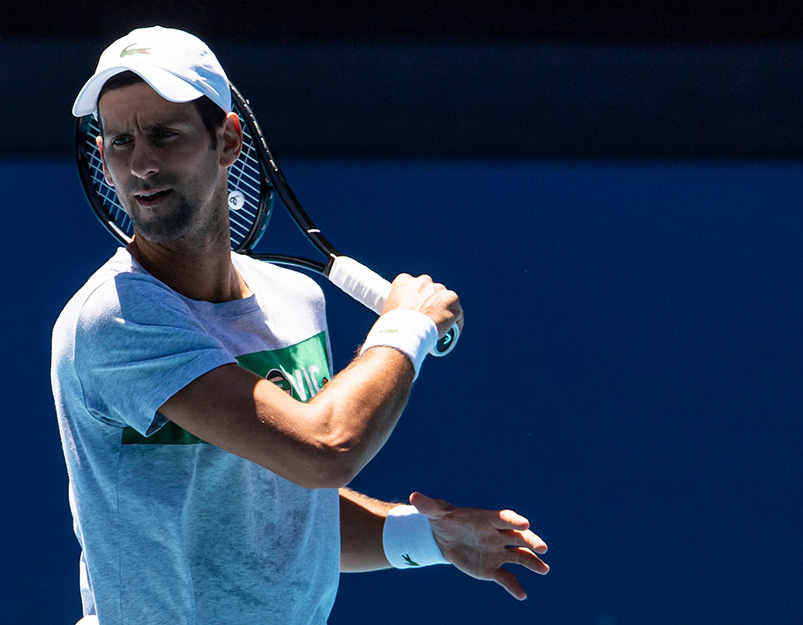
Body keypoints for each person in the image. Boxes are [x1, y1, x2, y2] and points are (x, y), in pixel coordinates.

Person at [51, 26, 549, 625]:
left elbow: (275, 513)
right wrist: (405, 330)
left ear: (228, 140)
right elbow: (324, 450)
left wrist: (426, 539)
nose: (141, 164)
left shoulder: (296, 302)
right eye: (120, 141)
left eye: (164, 134)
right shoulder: (116, 319)